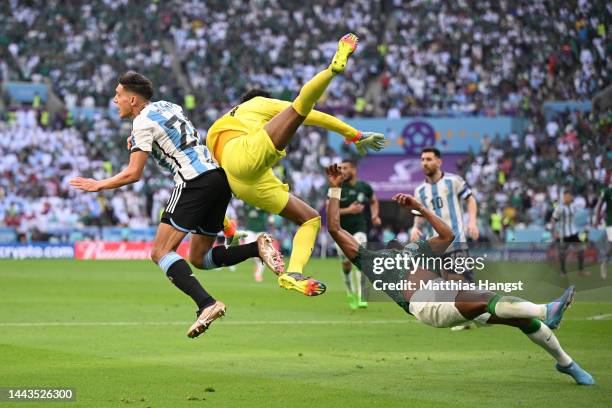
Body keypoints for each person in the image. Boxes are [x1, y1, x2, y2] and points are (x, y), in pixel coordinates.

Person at [325, 164, 595, 385]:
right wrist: (335, 189)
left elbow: (448, 235)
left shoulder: (417, 247)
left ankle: (566, 363)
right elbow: (336, 229)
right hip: (424, 303)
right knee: (483, 296)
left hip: (445, 293)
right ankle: (546, 311)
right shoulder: (371, 259)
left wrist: (421, 207)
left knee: (518, 318)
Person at [69, 71, 284, 339]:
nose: (115, 100)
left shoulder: (141, 123)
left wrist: (98, 184)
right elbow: (173, 139)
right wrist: (141, 141)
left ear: (133, 99)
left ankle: (207, 304)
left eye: (118, 95)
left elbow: (133, 173)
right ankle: (256, 247)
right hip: (218, 178)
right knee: (199, 258)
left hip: (193, 182)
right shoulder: (168, 106)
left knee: (160, 251)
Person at [205, 33, 385, 296]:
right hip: (245, 154)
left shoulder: (215, 129)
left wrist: (226, 224)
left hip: (242, 182)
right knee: (301, 106)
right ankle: (333, 68)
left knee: (310, 218)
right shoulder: (258, 103)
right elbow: (310, 113)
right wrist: (353, 133)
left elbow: (210, 181)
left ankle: (293, 273)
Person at [411, 147, 480, 330]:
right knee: (449, 283)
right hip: (435, 244)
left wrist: (472, 221)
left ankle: (486, 311)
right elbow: (419, 214)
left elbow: (471, 199)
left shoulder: (453, 181)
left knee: (460, 281)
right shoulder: (420, 191)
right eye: (422, 159)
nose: (425, 163)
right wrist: (415, 228)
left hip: (456, 239)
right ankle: (468, 317)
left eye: (429, 159)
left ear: (439, 162)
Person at [334, 158, 380, 309]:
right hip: (340, 231)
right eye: (340, 168)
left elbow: (373, 201)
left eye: (345, 168)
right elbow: (331, 211)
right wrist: (349, 210)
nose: (342, 171)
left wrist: (375, 215)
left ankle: (362, 295)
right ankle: (350, 292)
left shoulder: (364, 187)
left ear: (353, 169)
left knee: (361, 261)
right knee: (346, 265)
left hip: (359, 228)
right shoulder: (336, 188)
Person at [552, 190, 588, 277]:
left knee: (581, 250)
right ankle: (563, 271)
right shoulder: (559, 208)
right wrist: (555, 231)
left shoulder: (573, 206)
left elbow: (580, 211)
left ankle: (581, 270)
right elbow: (553, 219)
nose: (569, 198)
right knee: (562, 253)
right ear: (563, 198)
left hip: (573, 232)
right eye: (567, 196)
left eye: (569, 196)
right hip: (563, 234)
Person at [594, 179, 611, 279]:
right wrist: (596, 219)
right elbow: (599, 205)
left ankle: (604, 261)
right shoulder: (606, 191)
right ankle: (604, 263)